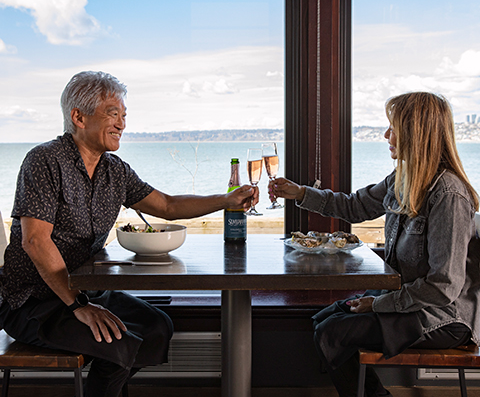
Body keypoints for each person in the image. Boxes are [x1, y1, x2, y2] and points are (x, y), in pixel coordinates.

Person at [0, 71, 258, 397]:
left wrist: (227, 200)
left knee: (157, 327)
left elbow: (166, 205)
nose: (122, 123)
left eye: (124, 115)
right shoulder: (44, 161)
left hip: (86, 291)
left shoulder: (114, 170)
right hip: (33, 302)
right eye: (113, 113)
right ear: (78, 117)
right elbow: (35, 241)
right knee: (117, 341)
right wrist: (78, 305)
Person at [269, 92, 480, 397]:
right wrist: (300, 193)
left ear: (414, 133)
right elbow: (355, 206)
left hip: (443, 317)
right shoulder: (403, 179)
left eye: (392, 128)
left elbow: (442, 287)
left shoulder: (448, 194)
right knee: (322, 320)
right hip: (412, 304)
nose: (386, 135)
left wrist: (379, 303)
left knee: (334, 333)